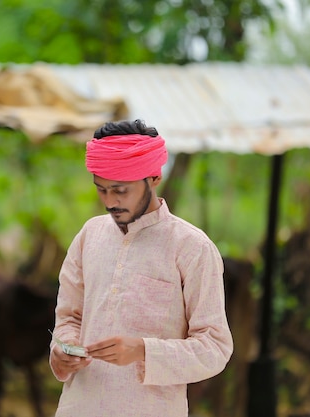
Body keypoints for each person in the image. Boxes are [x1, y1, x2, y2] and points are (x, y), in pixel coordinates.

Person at [49, 119, 234, 417]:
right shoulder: (89, 236)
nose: (110, 202)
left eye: (120, 190)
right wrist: (62, 351)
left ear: (154, 177)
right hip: (78, 407)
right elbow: (69, 317)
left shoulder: (191, 247)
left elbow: (215, 348)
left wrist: (144, 351)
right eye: (102, 190)